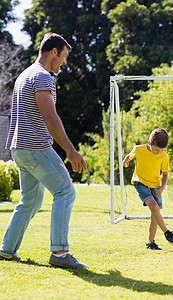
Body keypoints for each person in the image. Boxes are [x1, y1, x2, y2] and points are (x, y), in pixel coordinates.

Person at [0, 33, 88, 268]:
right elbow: (49, 116)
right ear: (54, 52)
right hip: (35, 147)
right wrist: (70, 150)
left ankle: (6, 250)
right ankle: (59, 253)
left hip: (19, 148)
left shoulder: (25, 75)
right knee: (65, 192)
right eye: (65, 56)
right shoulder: (42, 77)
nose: (65, 62)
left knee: (30, 200)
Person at [123, 128, 173, 250]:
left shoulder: (164, 156)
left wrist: (163, 186)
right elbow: (129, 156)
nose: (159, 152)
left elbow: (165, 174)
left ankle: (150, 242)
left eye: (162, 150)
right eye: (157, 149)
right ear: (149, 143)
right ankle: (167, 233)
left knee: (154, 215)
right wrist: (125, 162)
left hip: (156, 185)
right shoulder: (139, 149)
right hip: (140, 183)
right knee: (154, 207)